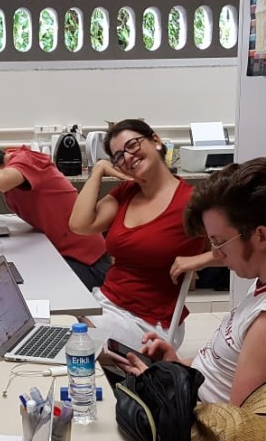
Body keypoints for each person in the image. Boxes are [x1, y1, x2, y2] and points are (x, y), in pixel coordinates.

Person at [112, 157, 266, 405]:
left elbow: (236, 426)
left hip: (194, 424)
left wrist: (160, 390)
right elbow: (221, 372)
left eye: (219, 242)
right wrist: (176, 366)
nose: (216, 254)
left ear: (261, 237)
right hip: (190, 399)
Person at [69, 119, 206, 347]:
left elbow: (244, 243)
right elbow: (80, 224)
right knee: (54, 327)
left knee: (74, 342)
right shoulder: (126, 192)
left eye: (132, 145)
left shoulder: (192, 202)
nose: (128, 157)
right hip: (107, 303)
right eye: (119, 156)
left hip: (150, 323)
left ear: (155, 141)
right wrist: (98, 171)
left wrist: (202, 259)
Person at [0, 137, 110, 290]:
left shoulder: (28, 160)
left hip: (88, 263)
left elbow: (1, 181)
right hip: (59, 253)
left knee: (26, 290)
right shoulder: (11, 169)